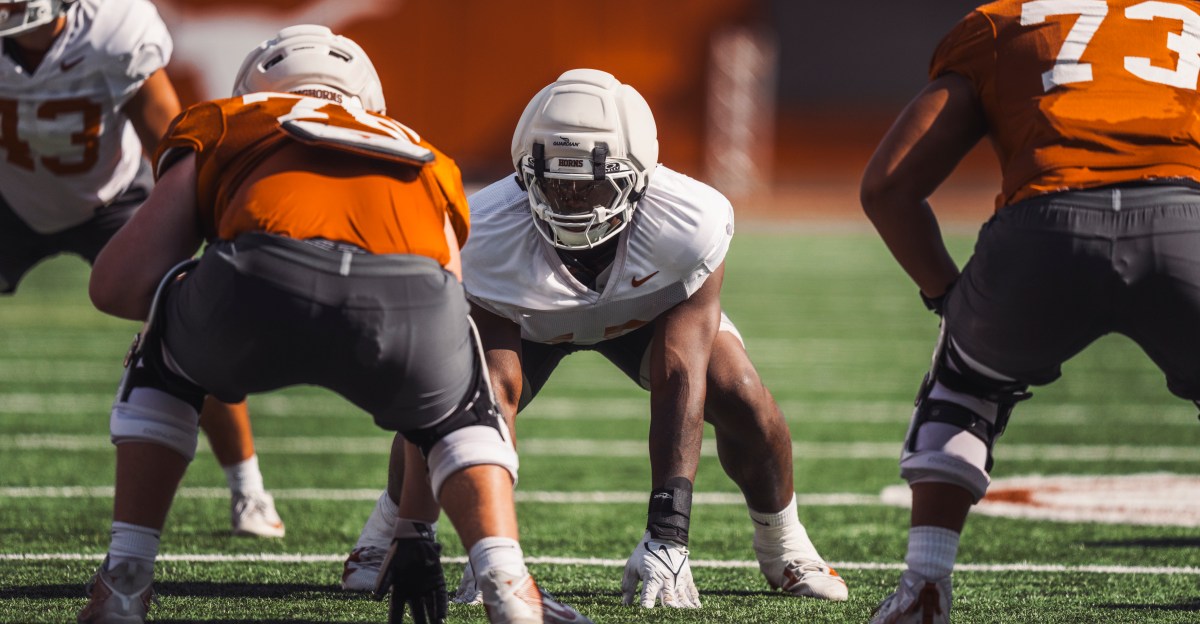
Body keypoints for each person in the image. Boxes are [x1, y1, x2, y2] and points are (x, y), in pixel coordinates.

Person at [76, 24, 591, 624]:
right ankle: (507, 580)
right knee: (462, 399)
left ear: (255, 85)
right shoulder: (423, 151)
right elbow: (446, 319)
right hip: (411, 298)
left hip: (261, 278)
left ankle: (125, 580)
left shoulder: (224, 118)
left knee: (165, 318)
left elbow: (116, 284)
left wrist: (200, 293)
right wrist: (414, 533)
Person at [343, 68, 849, 609]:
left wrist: (668, 534)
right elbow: (474, 393)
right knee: (475, 394)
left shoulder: (690, 220)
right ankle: (388, 527)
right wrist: (488, 550)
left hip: (643, 313)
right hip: (526, 317)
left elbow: (681, 371)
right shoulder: (482, 229)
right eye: (557, 182)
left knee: (739, 388)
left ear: (639, 174)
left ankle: (784, 543)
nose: (571, 201)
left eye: (590, 183)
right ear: (524, 173)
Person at [860, 1, 1200, 621]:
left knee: (962, 386)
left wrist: (948, 301)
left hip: (1044, 230)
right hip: (1187, 221)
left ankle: (925, 585)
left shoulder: (1002, 23)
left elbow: (887, 186)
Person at [0, 0, 284, 539]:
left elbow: (173, 148)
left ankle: (248, 488)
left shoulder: (112, 28)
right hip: (11, 196)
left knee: (190, 319)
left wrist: (205, 232)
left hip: (110, 198)